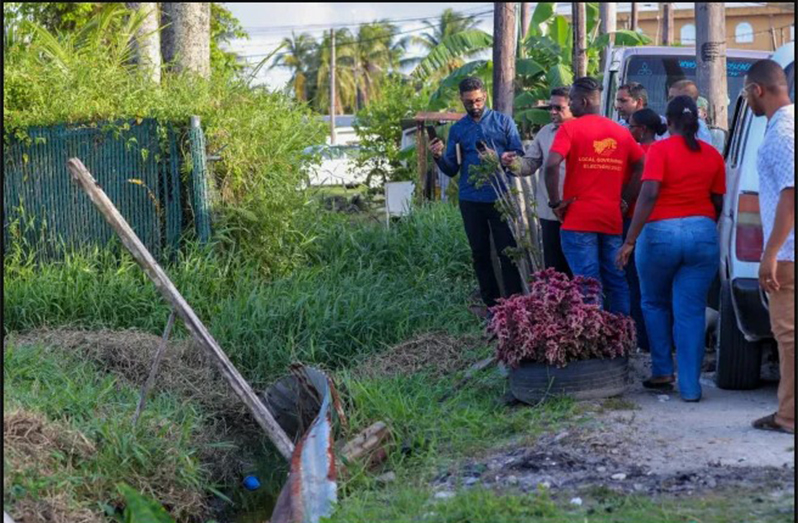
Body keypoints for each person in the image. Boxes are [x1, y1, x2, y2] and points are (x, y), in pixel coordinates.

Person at [616, 95, 726, 402]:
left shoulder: (660, 150)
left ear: (669, 121)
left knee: (653, 303)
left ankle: (663, 371)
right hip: (702, 233)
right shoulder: (712, 155)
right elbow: (718, 201)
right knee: (690, 311)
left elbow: (649, 194)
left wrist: (629, 241)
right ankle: (691, 388)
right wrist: (701, 226)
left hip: (659, 235)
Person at [544, 76, 645, 315]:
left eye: (572, 101)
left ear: (584, 101)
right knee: (616, 280)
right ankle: (620, 338)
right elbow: (642, 164)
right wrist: (624, 199)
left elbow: (550, 166)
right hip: (610, 218)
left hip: (578, 218)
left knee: (587, 283)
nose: (570, 105)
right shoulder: (619, 132)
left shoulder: (569, 128)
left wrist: (555, 202)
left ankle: (593, 339)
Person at [429, 77, 525, 312]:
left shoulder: (503, 122)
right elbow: (451, 168)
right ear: (461, 99)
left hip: (501, 196)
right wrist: (439, 156)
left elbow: (521, 157)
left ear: (485, 95)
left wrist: (503, 159)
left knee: (508, 252)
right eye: (469, 102)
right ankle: (490, 305)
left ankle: (514, 304)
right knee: (480, 253)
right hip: (471, 199)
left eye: (479, 100)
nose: (475, 105)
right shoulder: (459, 129)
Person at [743, 59, 794, 434]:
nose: (746, 100)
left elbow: (791, 196)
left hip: (789, 253)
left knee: (788, 337)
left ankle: (789, 417)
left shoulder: (782, 135)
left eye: (745, 93)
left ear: (758, 90)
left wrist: (770, 253)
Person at [500, 87, 573, 277]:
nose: (552, 112)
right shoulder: (546, 132)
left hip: (579, 211)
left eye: (559, 108)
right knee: (555, 270)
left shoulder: (586, 131)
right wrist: (513, 163)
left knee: (580, 271)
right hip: (551, 212)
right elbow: (531, 163)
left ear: (573, 106)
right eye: (551, 107)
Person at [623, 108, 668, 353]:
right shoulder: (664, 151)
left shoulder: (639, 152)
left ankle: (642, 339)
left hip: (633, 222)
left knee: (634, 283)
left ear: (643, 129)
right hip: (659, 223)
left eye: (631, 126)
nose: (629, 130)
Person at [664, 79, 714, 144]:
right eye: (669, 98)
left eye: (674, 99)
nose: (670, 102)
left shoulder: (699, 127)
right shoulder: (666, 121)